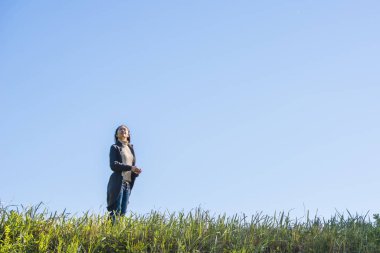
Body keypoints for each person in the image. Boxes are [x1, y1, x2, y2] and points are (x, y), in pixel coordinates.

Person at [107, 124, 142, 222]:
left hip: (127, 184)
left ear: (128, 134)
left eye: (125, 129)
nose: (123, 130)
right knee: (115, 211)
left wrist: (135, 171)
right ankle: (110, 233)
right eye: (120, 129)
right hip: (118, 182)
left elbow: (131, 166)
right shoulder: (114, 147)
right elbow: (113, 165)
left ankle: (116, 234)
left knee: (123, 213)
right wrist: (130, 167)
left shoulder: (130, 149)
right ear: (117, 135)